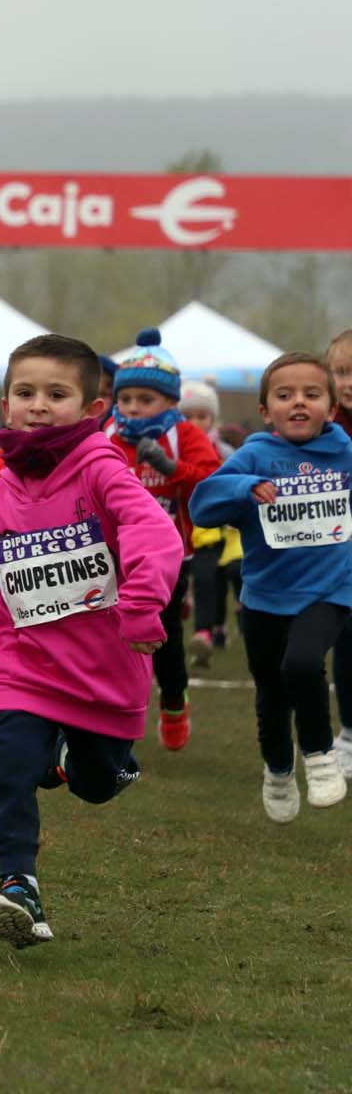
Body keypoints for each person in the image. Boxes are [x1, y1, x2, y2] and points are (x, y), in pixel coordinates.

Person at [0, 334, 182, 949]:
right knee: (5, 758)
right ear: (5, 406)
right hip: (23, 669)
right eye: (25, 393)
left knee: (94, 783)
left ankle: (74, 764)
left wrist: (140, 608)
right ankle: (18, 886)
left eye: (56, 394)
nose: (38, 405)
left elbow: (155, 535)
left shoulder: (102, 472)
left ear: (92, 409)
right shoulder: (1, 493)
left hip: (106, 675)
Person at [191, 353, 351, 820]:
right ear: (266, 411)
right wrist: (245, 488)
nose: (298, 402)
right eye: (285, 396)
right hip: (264, 597)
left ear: (332, 407)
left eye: (311, 394)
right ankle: (278, 769)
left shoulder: (345, 455)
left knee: (303, 664)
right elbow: (202, 506)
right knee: (271, 694)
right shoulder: (256, 454)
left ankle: (321, 757)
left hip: (330, 591)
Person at [103, 329, 221, 750]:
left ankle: (174, 699)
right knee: (112, 638)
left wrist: (171, 468)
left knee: (161, 635)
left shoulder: (185, 435)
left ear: (171, 402)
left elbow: (211, 483)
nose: (133, 408)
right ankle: (115, 717)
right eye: (126, 398)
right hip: (114, 556)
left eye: (146, 400)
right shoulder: (109, 436)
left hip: (173, 557)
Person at [178, 380, 235, 668]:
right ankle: (198, 626)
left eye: (201, 416)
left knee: (214, 581)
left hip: (214, 530)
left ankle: (211, 630)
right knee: (196, 581)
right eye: (187, 416)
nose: (195, 423)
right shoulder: (171, 449)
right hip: (180, 531)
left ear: (213, 418)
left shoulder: (223, 452)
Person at [323, 328, 352, 775]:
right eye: (341, 372)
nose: (348, 381)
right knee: (347, 644)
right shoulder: (321, 430)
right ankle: (348, 733)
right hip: (339, 558)